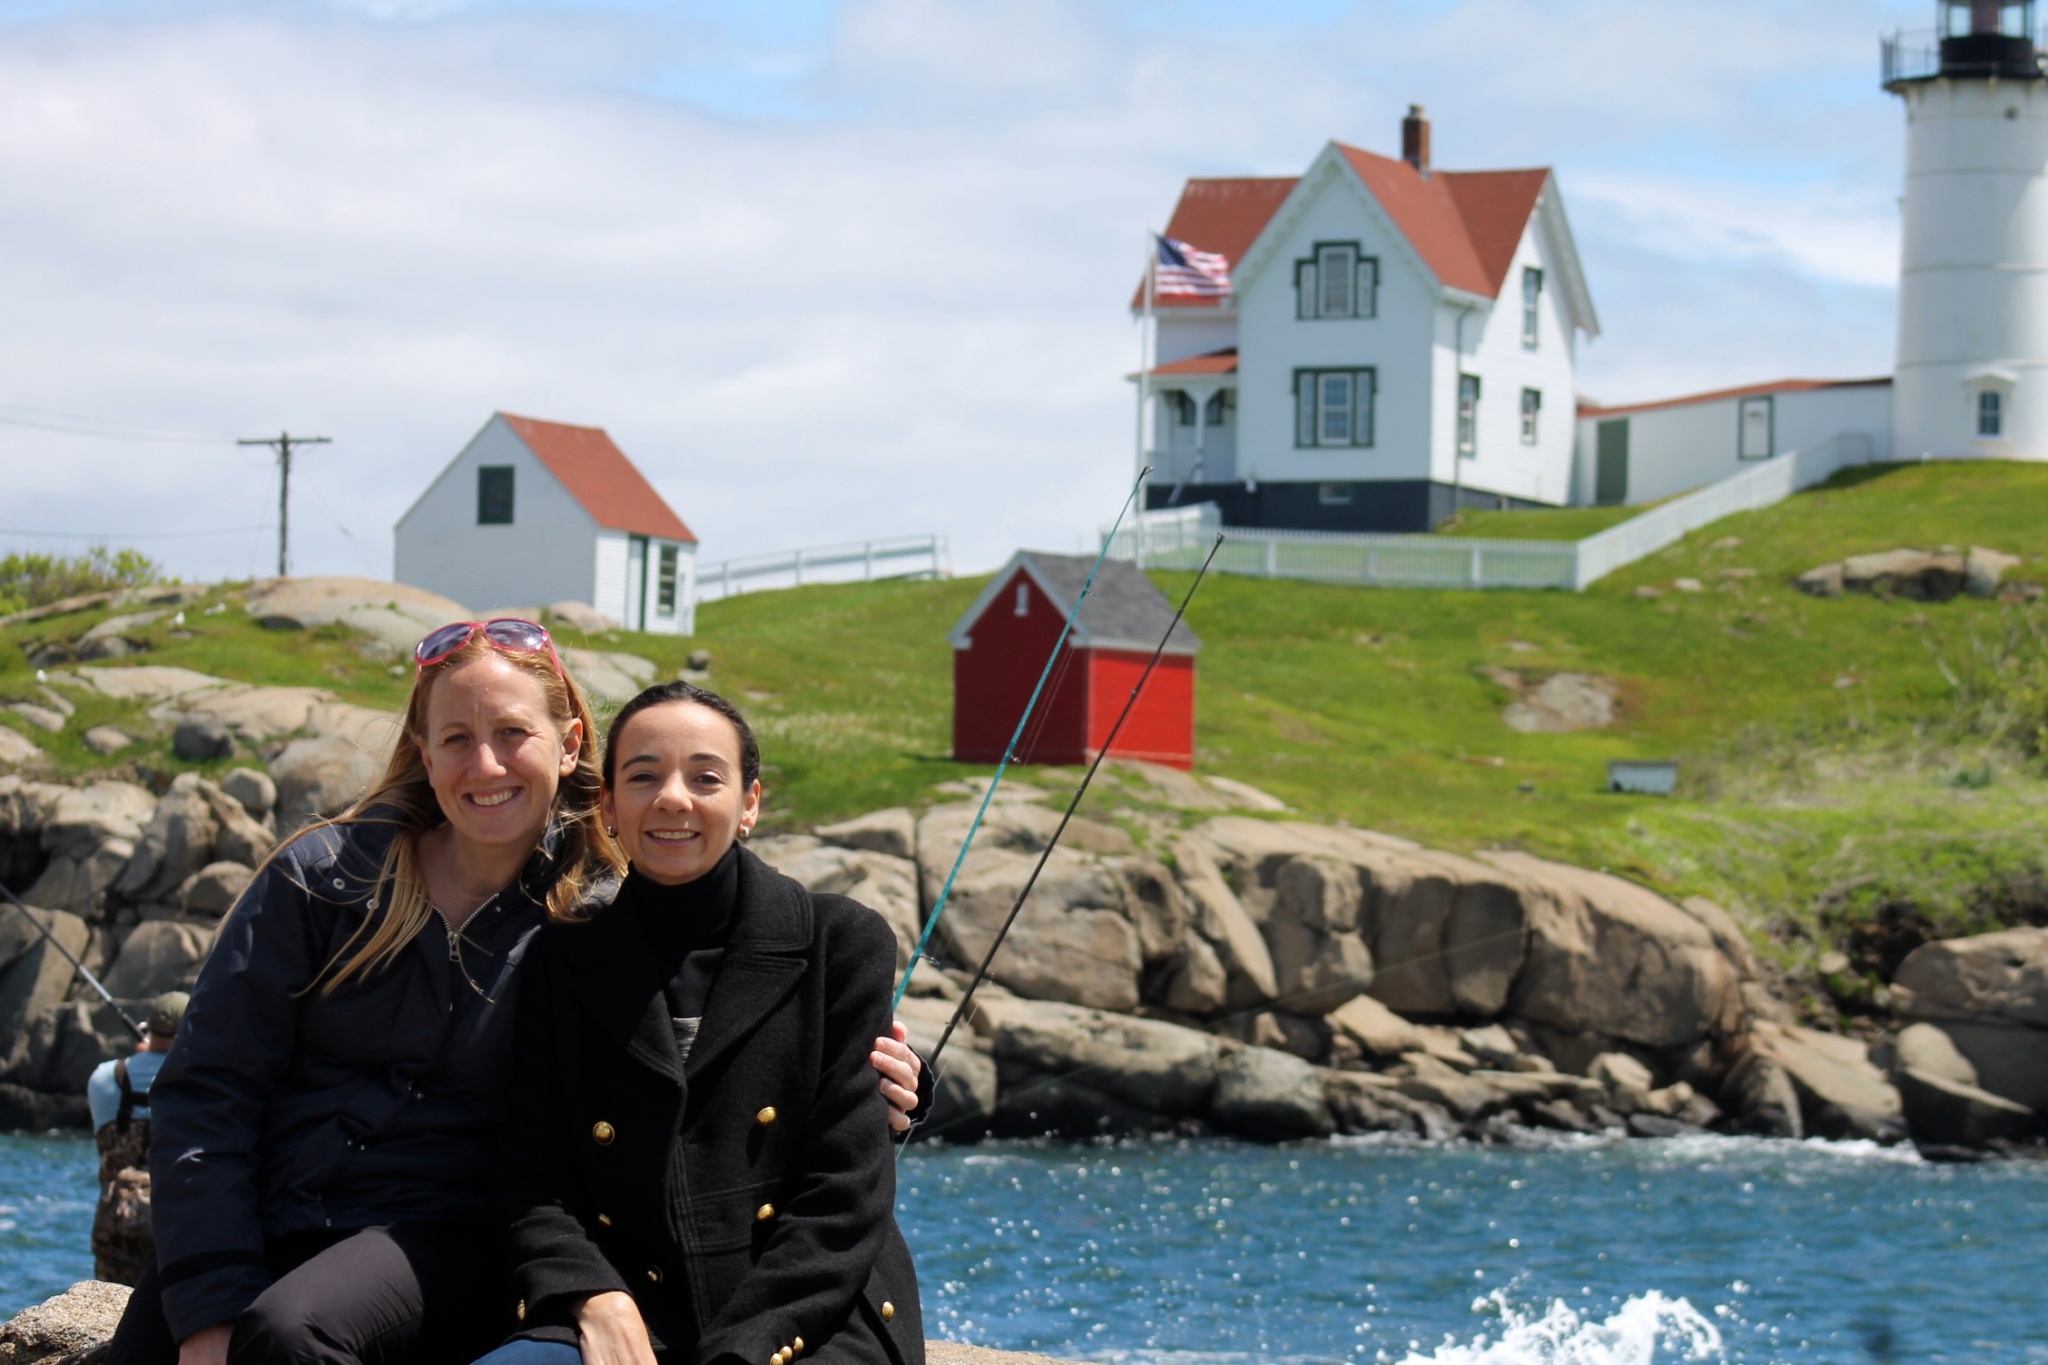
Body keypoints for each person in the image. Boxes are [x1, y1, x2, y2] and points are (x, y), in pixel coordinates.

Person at [104, 619, 925, 1365]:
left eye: (511, 734)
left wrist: (898, 1086)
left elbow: (724, 1039)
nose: (485, 764)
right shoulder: (323, 880)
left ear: (569, 745)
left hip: (449, 1235)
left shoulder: (589, 916)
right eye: (456, 737)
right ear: (423, 753)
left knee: (290, 1334)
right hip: (273, 1211)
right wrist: (210, 1306)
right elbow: (210, 1089)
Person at [479, 681, 922, 1365]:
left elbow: (841, 1197)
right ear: (608, 805)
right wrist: (594, 1296)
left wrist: (741, 1350)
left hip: (812, 1316)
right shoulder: (562, 960)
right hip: (632, 1307)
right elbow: (530, 1177)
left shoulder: (843, 942)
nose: (673, 798)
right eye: (644, 775)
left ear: (749, 803)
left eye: (706, 777)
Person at [87, 991, 190, 1285]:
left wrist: (144, 1057)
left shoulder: (103, 1078)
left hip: (115, 1229)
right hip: (175, 1226)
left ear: (149, 1026)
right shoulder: (196, 1080)